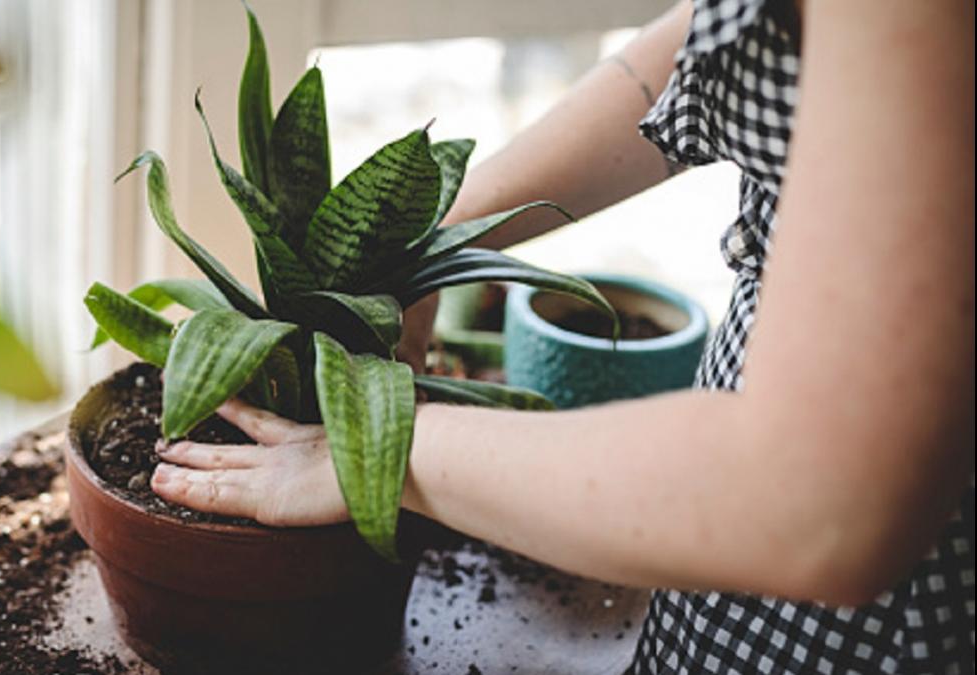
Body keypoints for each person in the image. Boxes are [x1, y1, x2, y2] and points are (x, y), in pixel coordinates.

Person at [150, 0, 975, 672]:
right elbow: (733, 36)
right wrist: (435, 240)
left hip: (864, 629)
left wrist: (377, 453)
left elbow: (817, 502)